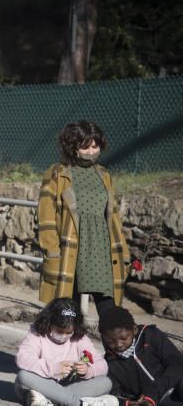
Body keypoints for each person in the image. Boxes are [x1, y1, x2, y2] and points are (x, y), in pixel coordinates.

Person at [38, 120, 129, 318]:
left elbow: (113, 219)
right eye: (85, 146)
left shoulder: (104, 174)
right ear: (72, 147)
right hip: (70, 253)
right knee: (67, 316)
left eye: (95, 146)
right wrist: (53, 252)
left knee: (112, 318)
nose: (91, 151)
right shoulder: (57, 173)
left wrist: (125, 252)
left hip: (101, 253)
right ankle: (68, 350)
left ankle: (114, 350)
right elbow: (46, 218)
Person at [14, 298, 117, 406]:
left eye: (69, 333)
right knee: (24, 377)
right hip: (43, 383)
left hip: (68, 386)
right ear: (49, 323)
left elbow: (102, 365)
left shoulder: (80, 338)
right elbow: (23, 358)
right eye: (59, 331)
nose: (63, 336)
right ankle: (79, 405)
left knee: (106, 382)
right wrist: (54, 369)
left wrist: (88, 370)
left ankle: (51, 400)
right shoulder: (37, 333)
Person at [100, 306, 183, 406]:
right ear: (104, 339)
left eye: (123, 338)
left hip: (176, 381)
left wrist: (154, 390)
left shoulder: (150, 335)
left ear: (134, 330)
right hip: (160, 402)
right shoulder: (109, 364)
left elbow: (177, 363)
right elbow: (115, 394)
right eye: (111, 341)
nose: (118, 344)